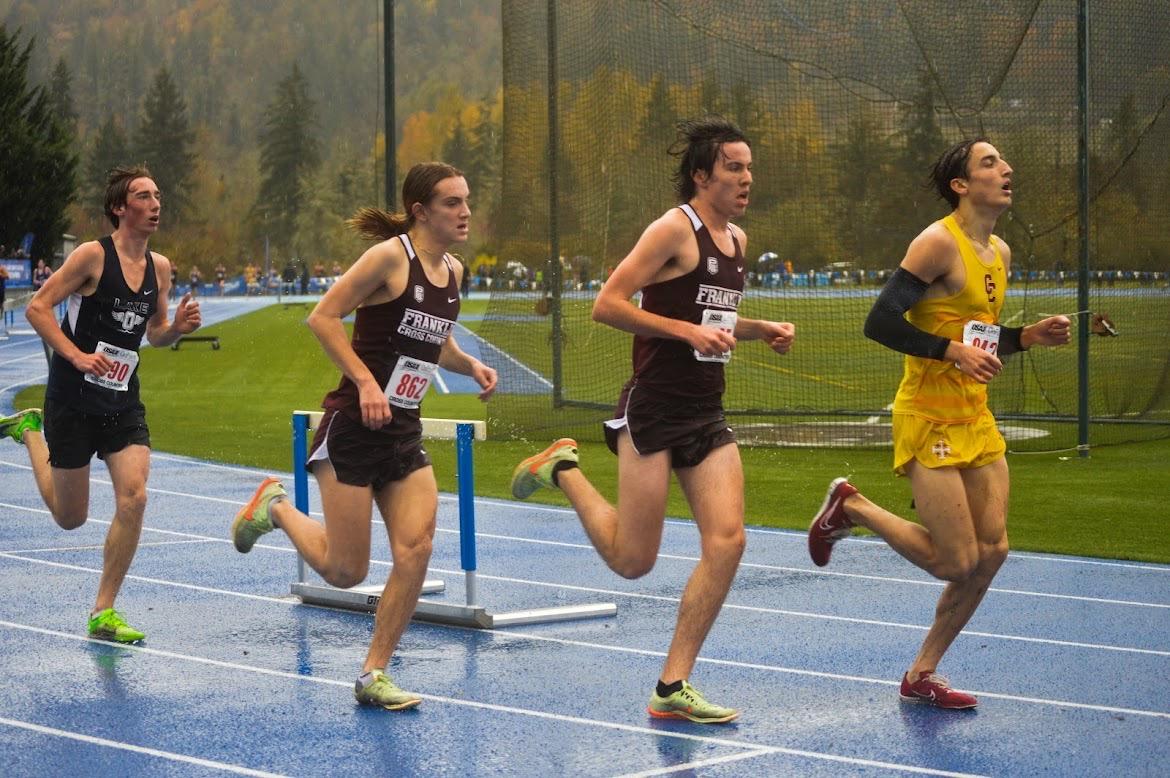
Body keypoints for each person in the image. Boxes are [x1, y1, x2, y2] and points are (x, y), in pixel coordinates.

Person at [511, 117, 795, 724]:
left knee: (729, 540)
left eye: (749, 168)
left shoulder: (737, 242)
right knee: (633, 561)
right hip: (654, 409)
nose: (747, 179)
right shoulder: (674, 228)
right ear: (702, 176)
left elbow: (712, 315)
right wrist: (686, 331)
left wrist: (757, 328)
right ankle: (561, 469)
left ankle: (672, 685)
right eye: (734, 168)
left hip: (706, 412)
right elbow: (607, 304)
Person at [807, 139, 1071, 709]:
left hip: (975, 415)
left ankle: (922, 673)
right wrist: (951, 354)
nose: (1007, 168)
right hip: (928, 416)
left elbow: (976, 336)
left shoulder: (998, 251)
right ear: (960, 184)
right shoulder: (936, 242)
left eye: (1004, 159)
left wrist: (1026, 338)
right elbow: (879, 321)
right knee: (957, 560)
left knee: (993, 551)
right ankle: (850, 506)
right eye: (990, 163)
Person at [230, 162, 497, 711]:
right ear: (422, 210)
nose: (465, 211)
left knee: (417, 548)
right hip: (353, 425)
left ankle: (374, 672)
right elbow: (324, 318)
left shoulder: (455, 271)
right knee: (345, 571)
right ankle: (275, 506)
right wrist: (367, 382)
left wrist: (469, 364)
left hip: (402, 433)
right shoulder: (388, 258)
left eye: (467, 200)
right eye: (452, 203)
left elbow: (434, 341)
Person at [0, 165, 202, 642]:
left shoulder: (161, 268)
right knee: (70, 519)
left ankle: (103, 611)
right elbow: (37, 307)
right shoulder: (93, 256)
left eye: (158, 195)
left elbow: (153, 334)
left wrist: (178, 329)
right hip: (72, 398)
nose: (155, 204)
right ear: (120, 208)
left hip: (122, 400)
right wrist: (75, 356)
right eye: (143, 196)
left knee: (135, 495)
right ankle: (29, 429)